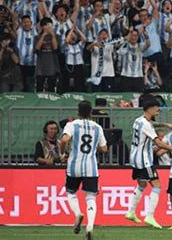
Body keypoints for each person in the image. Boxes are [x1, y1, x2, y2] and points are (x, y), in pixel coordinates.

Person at [125, 99, 172, 229]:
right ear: (149, 108)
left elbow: (151, 123)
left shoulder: (138, 120)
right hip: (144, 160)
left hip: (134, 159)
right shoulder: (146, 125)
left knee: (142, 184)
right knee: (157, 186)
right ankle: (150, 216)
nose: (158, 110)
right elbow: (158, 143)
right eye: (156, 108)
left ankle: (131, 212)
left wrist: (165, 125)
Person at [59, 100, 108, 240]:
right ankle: (90, 227)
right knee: (91, 197)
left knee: (70, 193)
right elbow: (104, 148)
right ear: (91, 112)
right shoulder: (98, 127)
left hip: (74, 166)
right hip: (91, 167)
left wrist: (63, 153)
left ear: (78, 112)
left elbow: (64, 140)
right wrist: (96, 148)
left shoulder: (72, 125)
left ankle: (78, 214)